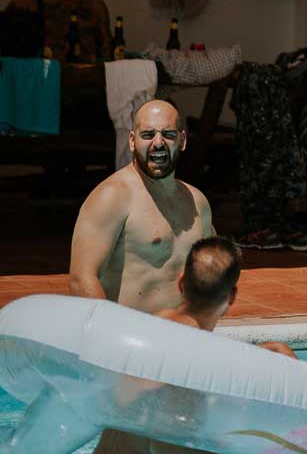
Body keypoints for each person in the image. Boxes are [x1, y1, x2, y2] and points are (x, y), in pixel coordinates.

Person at [79, 236, 298, 454]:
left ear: (181, 283)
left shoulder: (156, 322)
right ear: (232, 296)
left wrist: (259, 354)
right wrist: (224, 450)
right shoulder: (200, 361)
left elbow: (185, 352)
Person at [69, 98, 215, 311]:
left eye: (168, 134)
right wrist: (111, 337)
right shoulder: (112, 197)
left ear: (182, 140)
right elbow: (81, 281)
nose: (158, 143)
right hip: (128, 336)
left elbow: (214, 272)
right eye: (148, 135)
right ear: (131, 141)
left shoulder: (197, 201)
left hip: (181, 336)